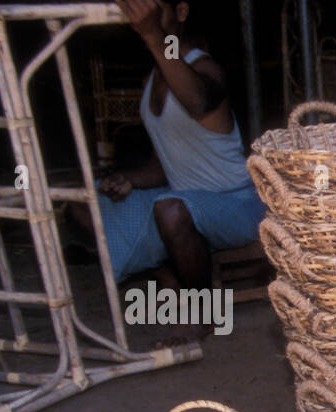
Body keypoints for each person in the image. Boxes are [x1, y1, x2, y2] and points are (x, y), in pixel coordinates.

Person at [71, 0, 264, 331]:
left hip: (237, 204)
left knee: (171, 209)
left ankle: (202, 315)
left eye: (154, 5)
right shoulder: (152, 80)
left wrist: (153, 34)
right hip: (182, 199)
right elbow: (164, 164)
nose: (143, 12)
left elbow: (199, 100)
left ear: (182, 11)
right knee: (81, 204)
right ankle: (170, 278)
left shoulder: (203, 68)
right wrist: (128, 179)